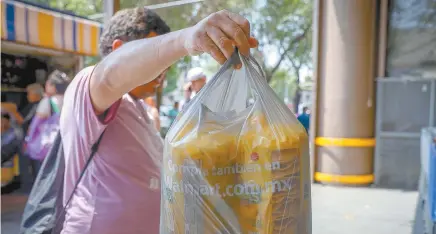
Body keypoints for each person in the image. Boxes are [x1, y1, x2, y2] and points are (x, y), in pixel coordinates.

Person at [59, 7, 257, 234]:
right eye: (157, 62)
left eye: (166, 68)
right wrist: (185, 38)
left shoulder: (138, 107)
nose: (162, 75)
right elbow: (110, 75)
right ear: (118, 50)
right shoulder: (88, 89)